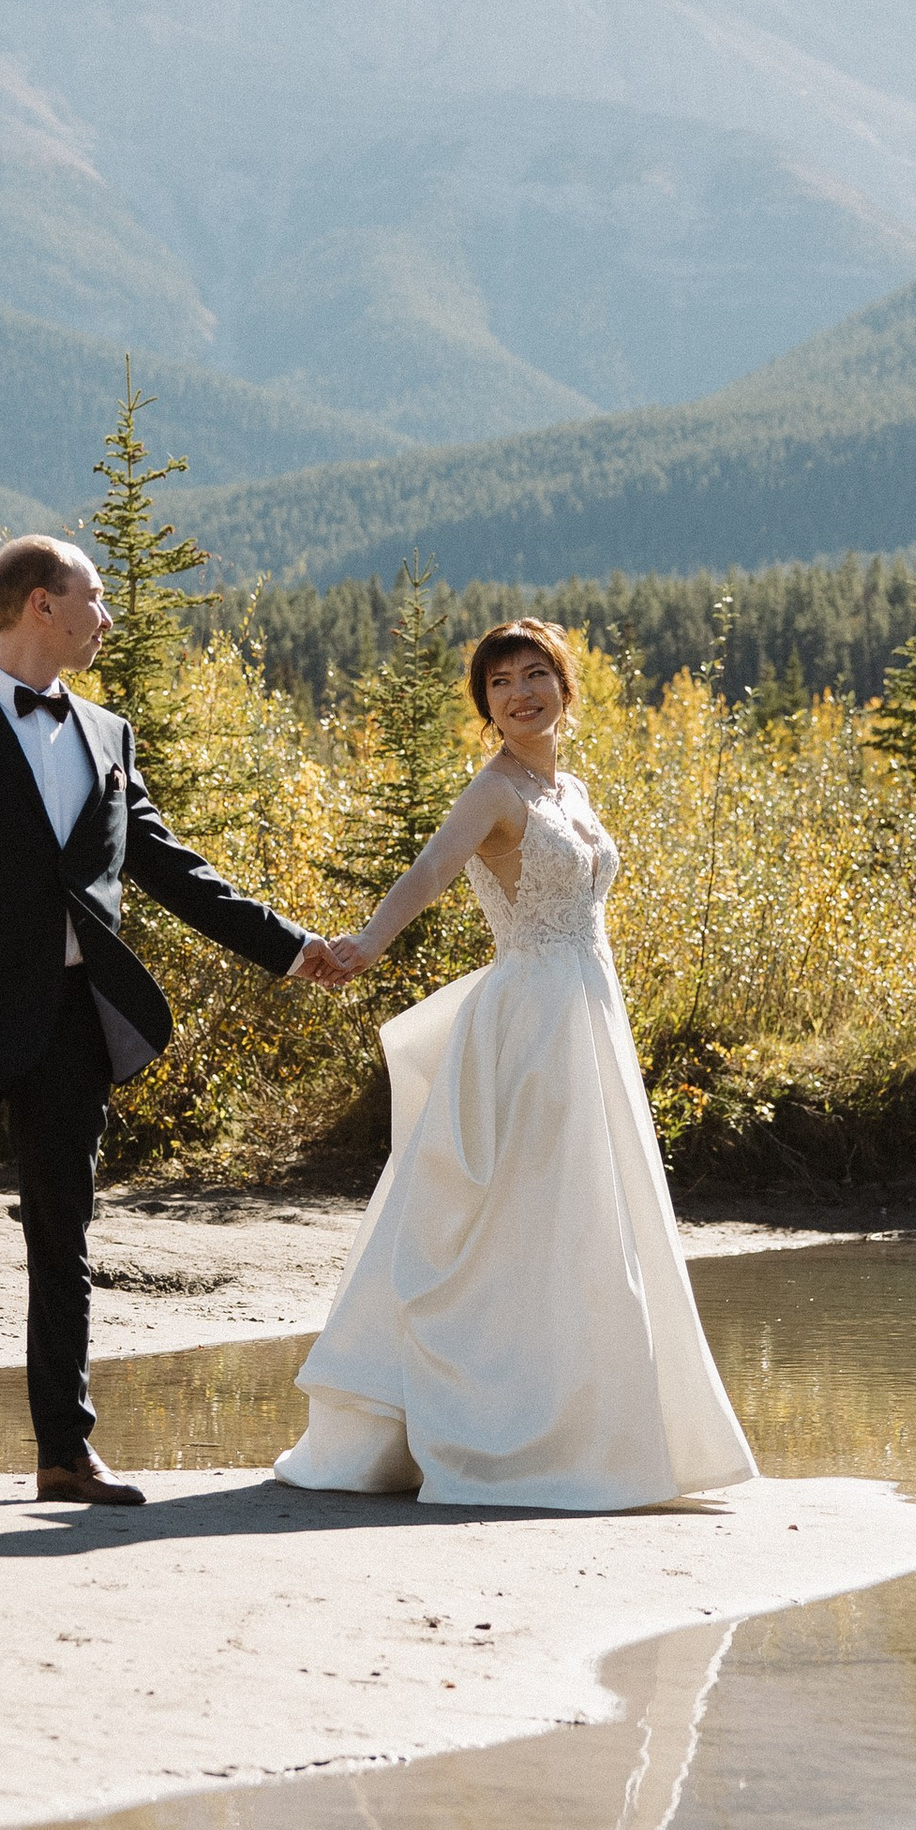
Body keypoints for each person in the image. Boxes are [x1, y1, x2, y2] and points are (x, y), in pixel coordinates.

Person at [0, 534, 343, 1515]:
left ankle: (63, 1457)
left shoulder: (109, 734)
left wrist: (293, 948)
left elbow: (171, 869)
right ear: (40, 604)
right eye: (93, 594)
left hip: (75, 1025)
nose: (106, 612)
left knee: (64, 1239)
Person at [275, 617, 755, 1510]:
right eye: (500, 684)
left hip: (589, 1013)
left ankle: (604, 1426)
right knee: (525, 1211)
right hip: (529, 1023)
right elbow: (428, 873)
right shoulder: (493, 792)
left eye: (535, 675)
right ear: (487, 707)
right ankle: (502, 1431)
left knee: (591, 1215)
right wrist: (366, 944)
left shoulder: (567, 788)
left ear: (565, 688)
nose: (519, 693)